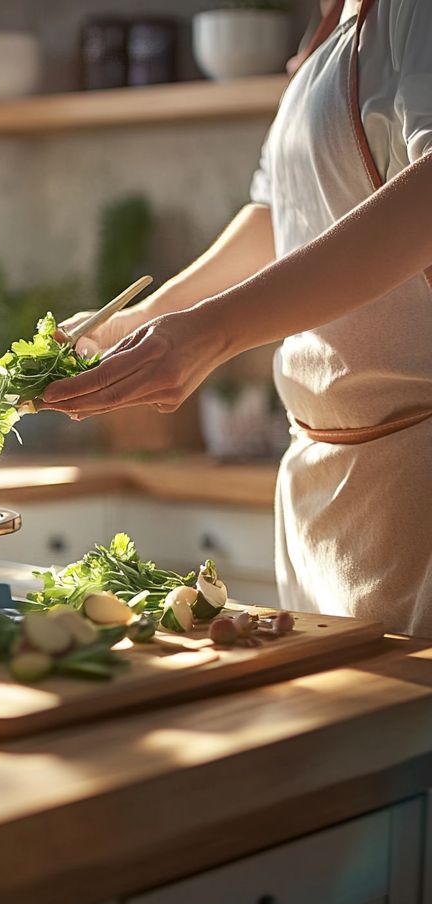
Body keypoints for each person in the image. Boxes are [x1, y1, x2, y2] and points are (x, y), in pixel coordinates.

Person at [42, 0, 432, 633]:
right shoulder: (330, 24)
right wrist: (137, 321)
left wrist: (211, 333)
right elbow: (278, 217)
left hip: (416, 485)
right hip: (327, 489)